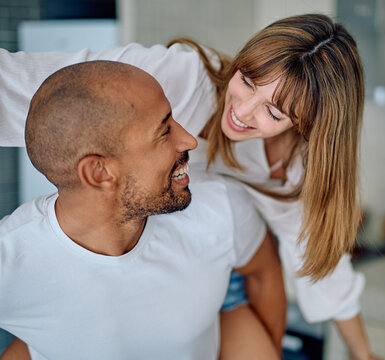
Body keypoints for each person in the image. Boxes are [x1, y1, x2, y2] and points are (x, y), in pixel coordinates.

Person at [0, 14, 380, 359]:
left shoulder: (293, 167)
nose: (242, 111)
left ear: (308, 123)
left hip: (218, 269)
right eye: (247, 81)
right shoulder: (176, 78)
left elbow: (316, 257)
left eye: (273, 111)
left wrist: (361, 352)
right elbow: (24, 92)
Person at [0, 61, 285, 359]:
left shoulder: (220, 206)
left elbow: (265, 273)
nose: (189, 140)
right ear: (99, 173)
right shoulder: (11, 263)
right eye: (164, 132)